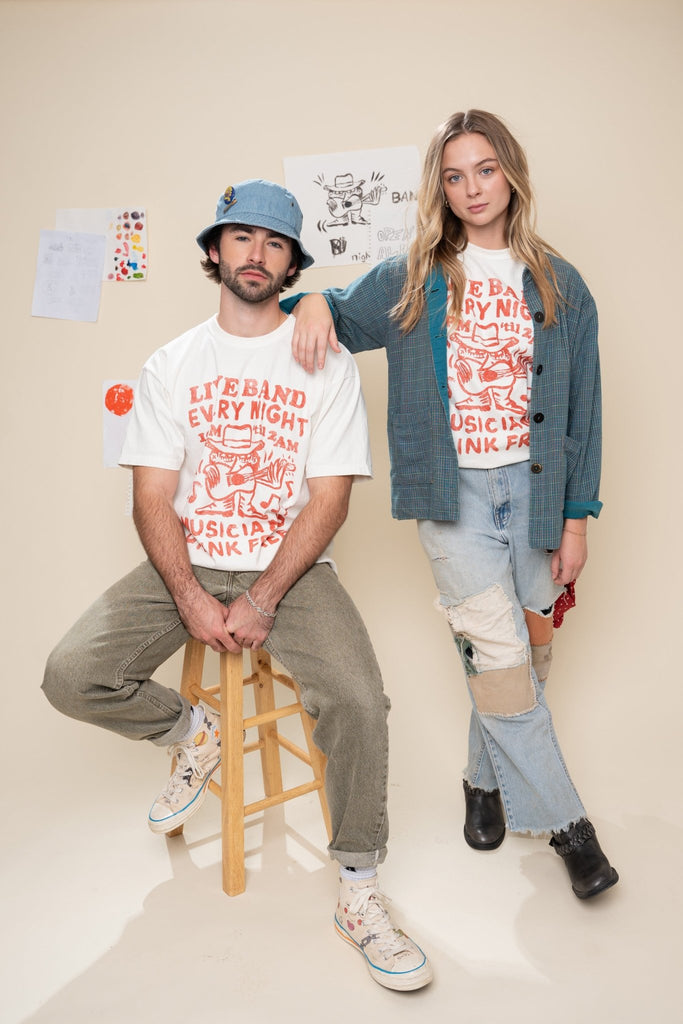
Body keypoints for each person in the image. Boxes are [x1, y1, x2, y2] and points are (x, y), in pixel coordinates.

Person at [42, 179, 433, 991]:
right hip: (187, 555)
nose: (256, 254)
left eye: (275, 242)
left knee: (360, 699)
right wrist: (188, 594)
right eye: (242, 238)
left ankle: (358, 887)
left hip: (288, 566)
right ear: (215, 251)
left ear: (291, 262)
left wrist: (260, 598)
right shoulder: (172, 364)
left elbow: (328, 500)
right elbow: (152, 494)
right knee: (71, 673)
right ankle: (192, 732)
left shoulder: (321, 364)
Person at [285, 111, 619, 900]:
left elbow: (585, 412)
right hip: (455, 497)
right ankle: (570, 829)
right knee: (499, 658)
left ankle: (481, 779)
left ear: (511, 174)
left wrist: (575, 520)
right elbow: (336, 310)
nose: (472, 189)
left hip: (536, 496)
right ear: (440, 186)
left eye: (486, 170)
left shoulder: (560, 284)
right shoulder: (413, 277)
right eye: (454, 175)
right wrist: (309, 302)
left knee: (525, 655)